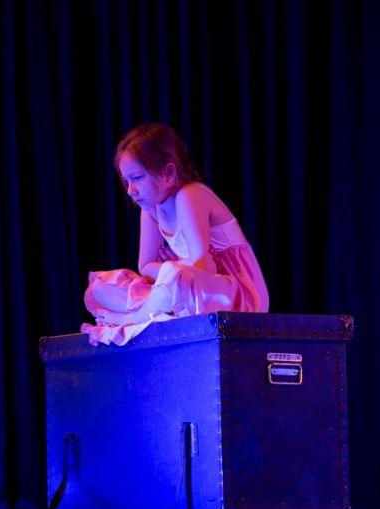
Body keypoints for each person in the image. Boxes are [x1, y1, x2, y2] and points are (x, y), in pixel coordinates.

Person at [81, 122, 269, 346]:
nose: (131, 190)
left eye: (138, 178)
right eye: (126, 181)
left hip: (236, 293)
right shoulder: (150, 209)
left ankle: (131, 319)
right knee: (101, 287)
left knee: (173, 274)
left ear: (168, 173)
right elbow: (145, 266)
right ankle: (155, 310)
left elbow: (205, 266)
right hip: (188, 286)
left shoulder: (189, 195)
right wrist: (173, 269)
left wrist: (174, 268)